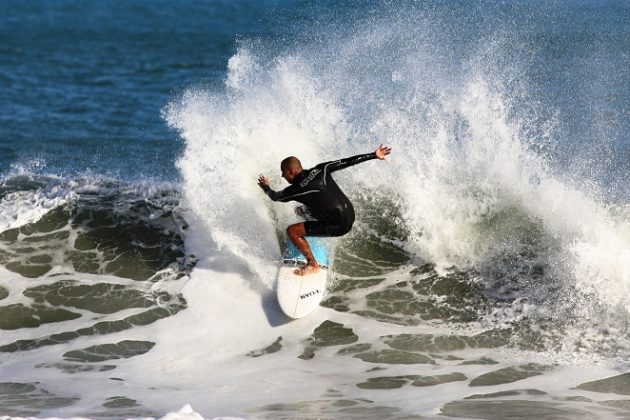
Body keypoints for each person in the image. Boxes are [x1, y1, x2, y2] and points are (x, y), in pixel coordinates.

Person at [257, 144, 392, 275]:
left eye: (283, 173)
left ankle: (312, 264)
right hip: (350, 213)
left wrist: (266, 188)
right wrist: (373, 155)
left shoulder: (296, 189)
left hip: (340, 226)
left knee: (292, 231)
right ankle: (310, 222)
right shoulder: (321, 168)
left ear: (290, 171)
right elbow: (347, 162)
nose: (282, 176)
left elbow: (275, 197)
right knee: (302, 210)